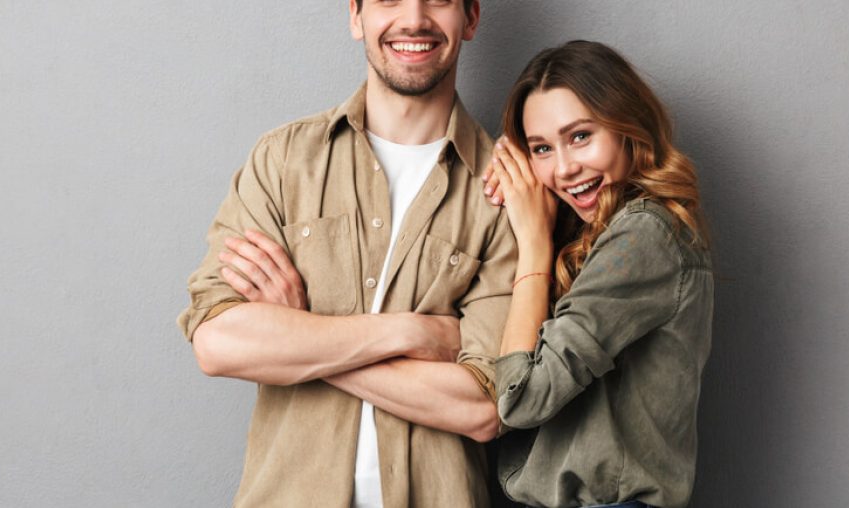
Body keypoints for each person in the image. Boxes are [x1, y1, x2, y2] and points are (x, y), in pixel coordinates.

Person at [176, 1, 517, 506]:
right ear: (356, 16)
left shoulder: (505, 193)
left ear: (470, 18)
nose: (414, 19)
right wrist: (411, 332)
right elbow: (219, 342)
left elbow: (483, 407)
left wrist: (301, 331)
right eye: (388, 0)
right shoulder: (284, 161)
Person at [482, 40, 714, 508]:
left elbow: (522, 397)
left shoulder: (646, 234)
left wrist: (533, 245)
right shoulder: (597, 240)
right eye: (542, 149)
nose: (565, 168)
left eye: (581, 136)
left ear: (627, 126)